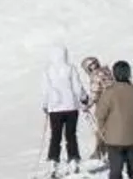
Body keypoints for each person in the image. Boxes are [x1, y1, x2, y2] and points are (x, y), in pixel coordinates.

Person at [41, 45, 90, 175]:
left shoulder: (48, 71)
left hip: (55, 109)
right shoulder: (70, 68)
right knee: (71, 135)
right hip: (71, 107)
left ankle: (53, 163)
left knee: (55, 136)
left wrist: (45, 104)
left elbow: (45, 90)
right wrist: (84, 98)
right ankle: (73, 161)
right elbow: (77, 86)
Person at [94, 61, 133, 179]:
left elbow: (100, 114)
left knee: (115, 171)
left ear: (114, 74)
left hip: (114, 139)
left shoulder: (109, 92)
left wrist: (103, 130)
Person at [79, 56, 115, 160]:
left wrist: (87, 105)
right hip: (114, 102)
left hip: (103, 104)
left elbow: (95, 93)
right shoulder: (107, 72)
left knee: (101, 128)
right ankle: (104, 150)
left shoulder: (95, 75)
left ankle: (101, 151)